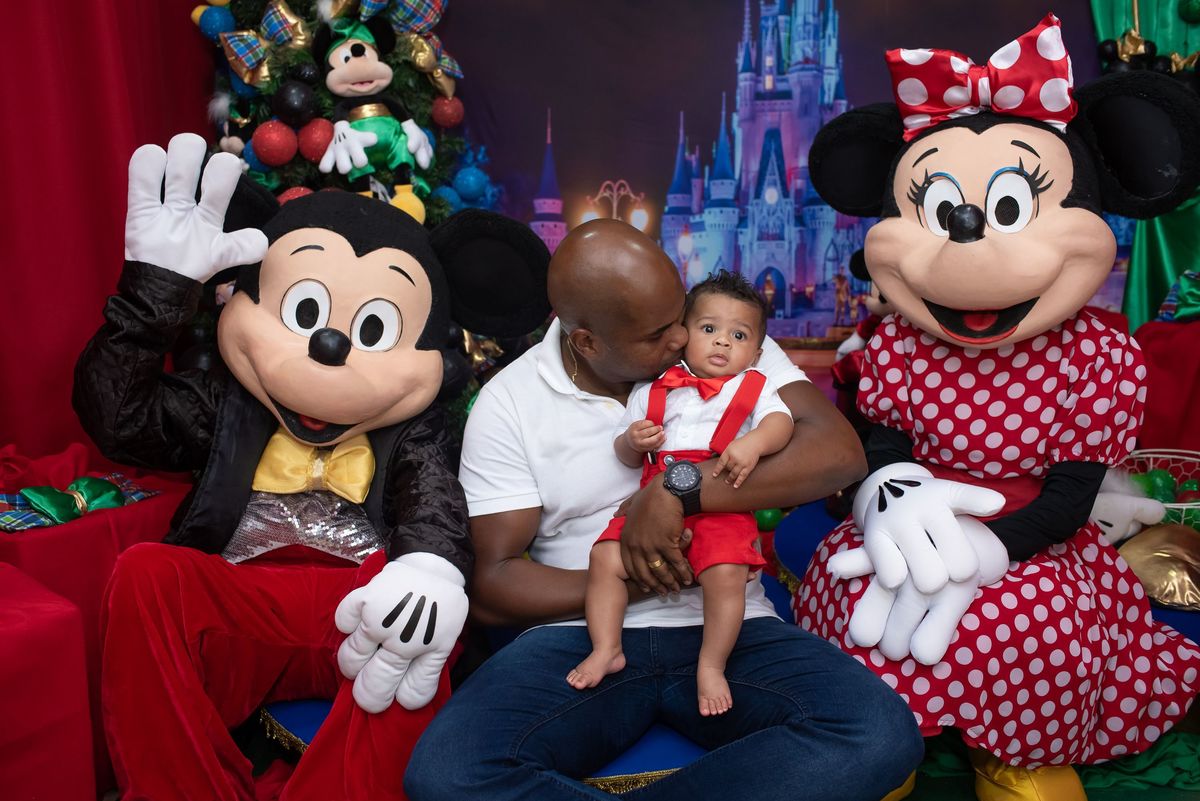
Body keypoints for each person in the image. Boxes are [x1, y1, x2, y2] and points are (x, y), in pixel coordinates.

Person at [405, 219, 924, 801]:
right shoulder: (510, 401)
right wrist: (643, 579)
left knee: (879, 732)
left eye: (681, 316)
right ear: (588, 343)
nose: (682, 338)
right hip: (582, 635)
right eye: (658, 333)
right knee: (448, 772)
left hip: (731, 626)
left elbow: (840, 455)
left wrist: (680, 490)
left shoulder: (723, 339)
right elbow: (494, 584)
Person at [567, 271, 794, 718]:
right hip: (650, 505)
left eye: (739, 335)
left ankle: (711, 664)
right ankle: (607, 647)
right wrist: (632, 441)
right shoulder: (653, 389)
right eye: (709, 328)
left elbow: (780, 423)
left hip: (719, 501)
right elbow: (623, 453)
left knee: (726, 573)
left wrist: (754, 443)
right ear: (683, 334)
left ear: (756, 353)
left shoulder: (755, 386)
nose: (722, 341)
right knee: (604, 559)